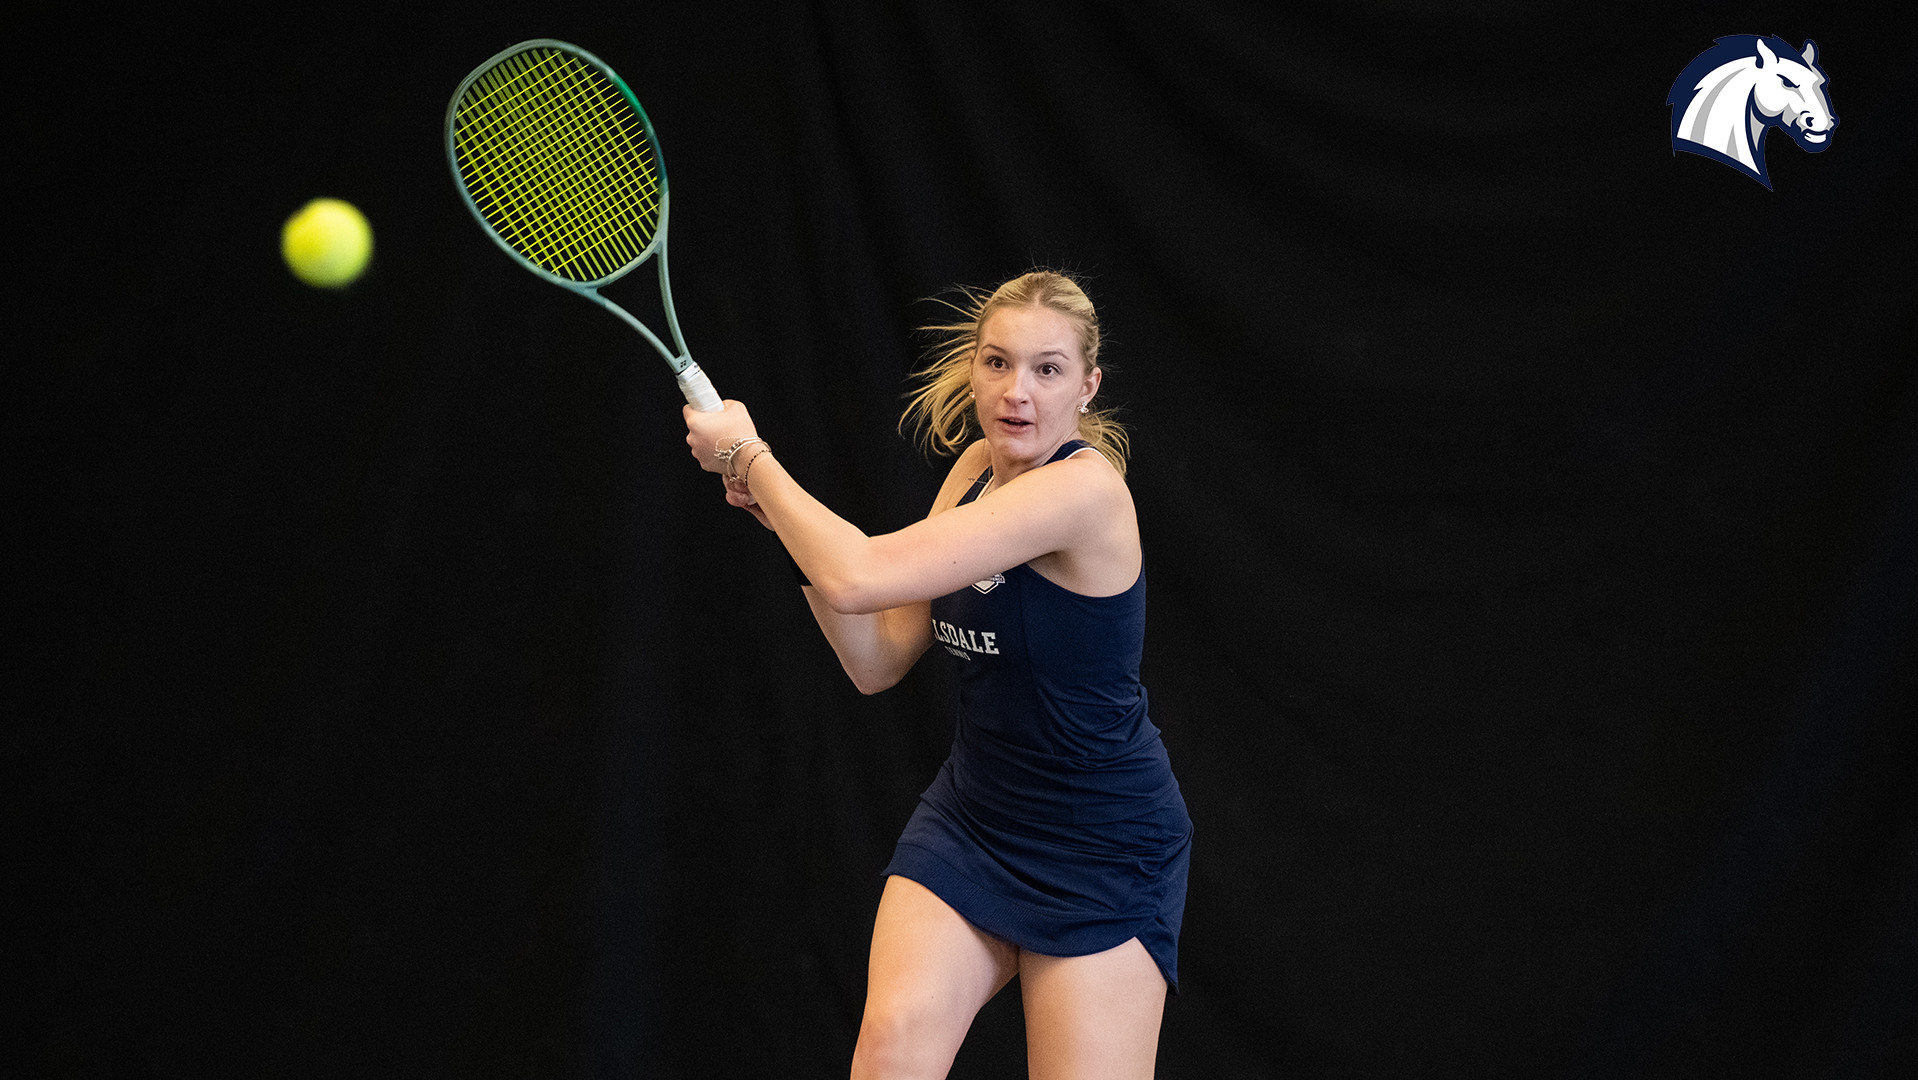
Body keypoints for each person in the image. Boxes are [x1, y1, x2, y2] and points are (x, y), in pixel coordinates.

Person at [684, 270, 1190, 1080]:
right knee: (890, 1051)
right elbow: (877, 657)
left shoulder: (1084, 494)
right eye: (997, 363)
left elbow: (857, 572)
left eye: (1047, 369)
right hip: (976, 821)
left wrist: (751, 455)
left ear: (1087, 387)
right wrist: (777, 516)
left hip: (1105, 847)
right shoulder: (975, 471)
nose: (1015, 392)